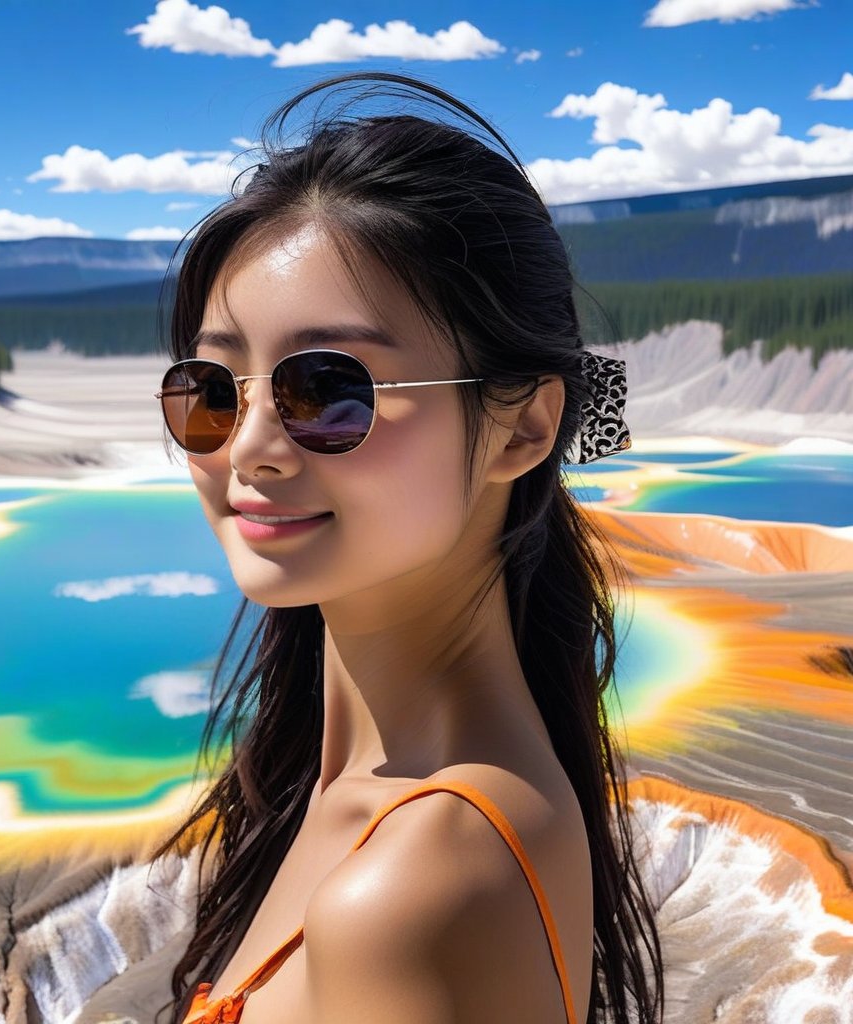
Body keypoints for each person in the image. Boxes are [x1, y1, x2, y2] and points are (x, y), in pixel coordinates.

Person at [152, 71, 663, 1024]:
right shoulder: (351, 790)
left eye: (328, 389)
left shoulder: (418, 888)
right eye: (213, 389)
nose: (251, 448)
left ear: (522, 429)